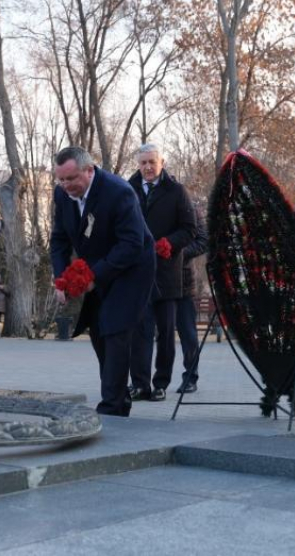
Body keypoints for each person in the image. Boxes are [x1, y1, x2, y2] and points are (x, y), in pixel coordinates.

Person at [50, 145, 156, 416]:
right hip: (98, 267)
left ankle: (111, 406)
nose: (65, 185)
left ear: (89, 170)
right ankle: (119, 395)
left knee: (115, 328)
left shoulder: (118, 192)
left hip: (132, 268)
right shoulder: (62, 196)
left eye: (71, 179)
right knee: (98, 330)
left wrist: (93, 277)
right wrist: (62, 279)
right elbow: (59, 240)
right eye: (60, 179)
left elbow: (132, 243)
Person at [127, 143, 196, 402]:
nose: (147, 167)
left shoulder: (176, 191)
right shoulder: (128, 189)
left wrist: (170, 242)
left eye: (151, 162)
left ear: (161, 163)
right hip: (138, 272)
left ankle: (160, 382)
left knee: (166, 332)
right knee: (139, 331)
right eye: (143, 162)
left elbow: (189, 229)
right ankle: (140, 383)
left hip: (167, 273)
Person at [175, 206, 208, 394]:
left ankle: (190, 377)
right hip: (152, 279)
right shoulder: (141, 199)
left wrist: (178, 253)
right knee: (144, 333)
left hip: (182, 281)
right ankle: (144, 382)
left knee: (187, 333)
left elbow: (203, 240)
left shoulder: (188, 206)